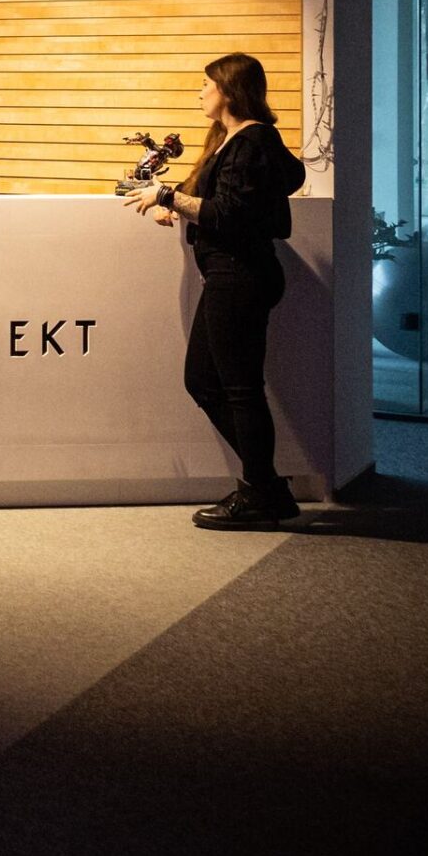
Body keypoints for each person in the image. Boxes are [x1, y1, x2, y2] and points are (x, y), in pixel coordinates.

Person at [122, 53, 306, 529]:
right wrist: (179, 205)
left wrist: (167, 196)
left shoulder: (251, 141)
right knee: (206, 381)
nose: (200, 92)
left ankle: (261, 491)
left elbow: (227, 213)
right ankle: (266, 487)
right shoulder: (238, 139)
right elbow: (242, 194)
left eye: (207, 84)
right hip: (234, 275)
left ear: (228, 90)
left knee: (238, 389)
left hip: (239, 276)